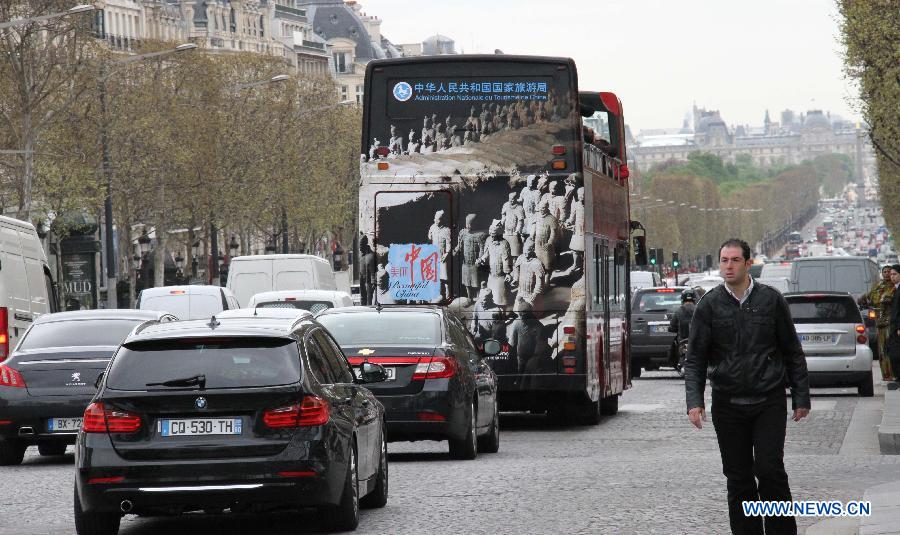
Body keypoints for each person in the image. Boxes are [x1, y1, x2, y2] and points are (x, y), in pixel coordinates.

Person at [685, 238, 810, 535]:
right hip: (728, 403)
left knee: (769, 471)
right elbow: (695, 359)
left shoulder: (771, 299)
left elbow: (792, 350)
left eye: (734, 260)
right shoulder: (709, 305)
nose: (728, 266)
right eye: (724, 260)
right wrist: (694, 400)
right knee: (738, 477)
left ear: (748, 263)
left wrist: (801, 396)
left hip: (769, 399)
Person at [859, 265, 895, 381]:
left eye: (889, 272)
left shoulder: (894, 287)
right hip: (879, 323)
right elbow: (866, 297)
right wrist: (863, 302)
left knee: (890, 349)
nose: (886, 274)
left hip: (891, 322)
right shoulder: (878, 286)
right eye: (884, 272)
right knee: (882, 350)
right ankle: (886, 375)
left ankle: (893, 374)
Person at [668, 288, 697, 375]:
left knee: (673, 350)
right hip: (697, 339)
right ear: (694, 299)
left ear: (682, 299)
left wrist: (672, 328)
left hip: (682, 340)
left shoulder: (678, 311)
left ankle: (679, 365)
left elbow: (672, 327)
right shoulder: (699, 309)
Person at [886, 265, 900, 386]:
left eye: (894, 274)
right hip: (894, 326)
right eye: (891, 275)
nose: (892, 277)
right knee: (893, 351)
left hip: (898, 328)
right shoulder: (895, 289)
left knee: (896, 353)